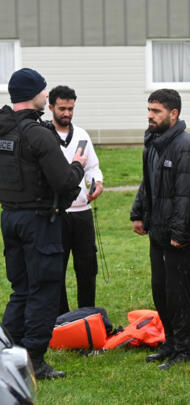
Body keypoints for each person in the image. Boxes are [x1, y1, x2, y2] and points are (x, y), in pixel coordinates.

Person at [0, 68, 87, 379]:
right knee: (44, 289)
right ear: (32, 93)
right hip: (39, 221)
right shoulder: (37, 133)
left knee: (21, 289)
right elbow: (64, 182)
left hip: (10, 216)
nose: (46, 95)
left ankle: (6, 352)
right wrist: (77, 166)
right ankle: (35, 359)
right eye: (43, 90)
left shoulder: (4, 130)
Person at [130, 89, 190, 370]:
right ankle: (170, 342)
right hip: (158, 230)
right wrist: (138, 213)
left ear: (174, 114)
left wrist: (179, 234)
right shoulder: (153, 142)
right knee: (160, 290)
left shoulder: (184, 147)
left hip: (178, 237)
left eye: (156, 111)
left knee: (178, 293)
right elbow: (147, 183)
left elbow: (187, 196)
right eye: (149, 110)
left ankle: (184, 349)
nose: (150, 116)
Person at [46, 85, 104, 315]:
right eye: (62, 108)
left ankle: (87, 315)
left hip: (83, 212)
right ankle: (61, 317)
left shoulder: (82, 135)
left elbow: (92, 167)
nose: (67, 113)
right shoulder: (43, 135)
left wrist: (96, 183)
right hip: (56, 214)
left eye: (71, 108)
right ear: (51, 107)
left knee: (87, 267)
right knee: (56, 268)